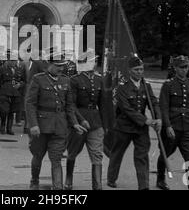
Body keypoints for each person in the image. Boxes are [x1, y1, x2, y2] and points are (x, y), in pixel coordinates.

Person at [25, 50, 87, 190]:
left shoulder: (66, 80)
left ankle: (57, 188)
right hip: (41, 126)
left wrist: (75, 123)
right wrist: (33, 124)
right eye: (58, 66)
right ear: (49, 64)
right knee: (38, 157)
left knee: (56, 159)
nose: (61, 69)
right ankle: (34, 180)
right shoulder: (38, 79)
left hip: (60, 126)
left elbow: (69, 105)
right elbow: (30, 104)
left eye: (62, 66)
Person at [107, 56, 161, 190]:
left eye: (141, 69)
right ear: (129, 71)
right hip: (124, 127)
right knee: (117, 153)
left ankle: (143, 185)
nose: (139, 72)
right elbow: (126, 109)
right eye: (136, 69)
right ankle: (111, 178)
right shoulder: (122, 88)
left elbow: (153, 103)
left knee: (142, 156)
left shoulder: (146, 86)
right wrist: (146, 120)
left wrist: (158, 118)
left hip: (140, 129)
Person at [156, 55, 189, 190]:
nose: (184, 70)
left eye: (186, 67)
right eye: (181, 67)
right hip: (173, 126)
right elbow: (163, 107)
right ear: (175, 68)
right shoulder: (168, 85)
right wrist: (167, 125)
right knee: (165, 153)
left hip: (188, 126)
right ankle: (160, 180)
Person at [65, 53, 106, 190]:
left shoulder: (100, 80)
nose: (94, 63)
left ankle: (97, 185)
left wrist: (105, 124)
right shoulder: (75, 80)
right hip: (78, 120)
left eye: (95, 61)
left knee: (97, 154)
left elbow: (103, 104)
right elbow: (71, 104)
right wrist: (80, 120)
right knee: (73, 151)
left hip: (95, 121)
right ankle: (69, 180)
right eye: (92, 61)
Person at [0, 50, 26, 135]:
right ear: (8, 60)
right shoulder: (2, 68)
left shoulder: (19, 69)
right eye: (11, 60)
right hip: (5, 92)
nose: (13, 62)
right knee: (4, 111)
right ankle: (2, 126)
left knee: (12, 111)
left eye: (15, 60)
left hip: (15, 93)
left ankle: (9, 128)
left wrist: (20, 84)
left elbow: (24, 80)